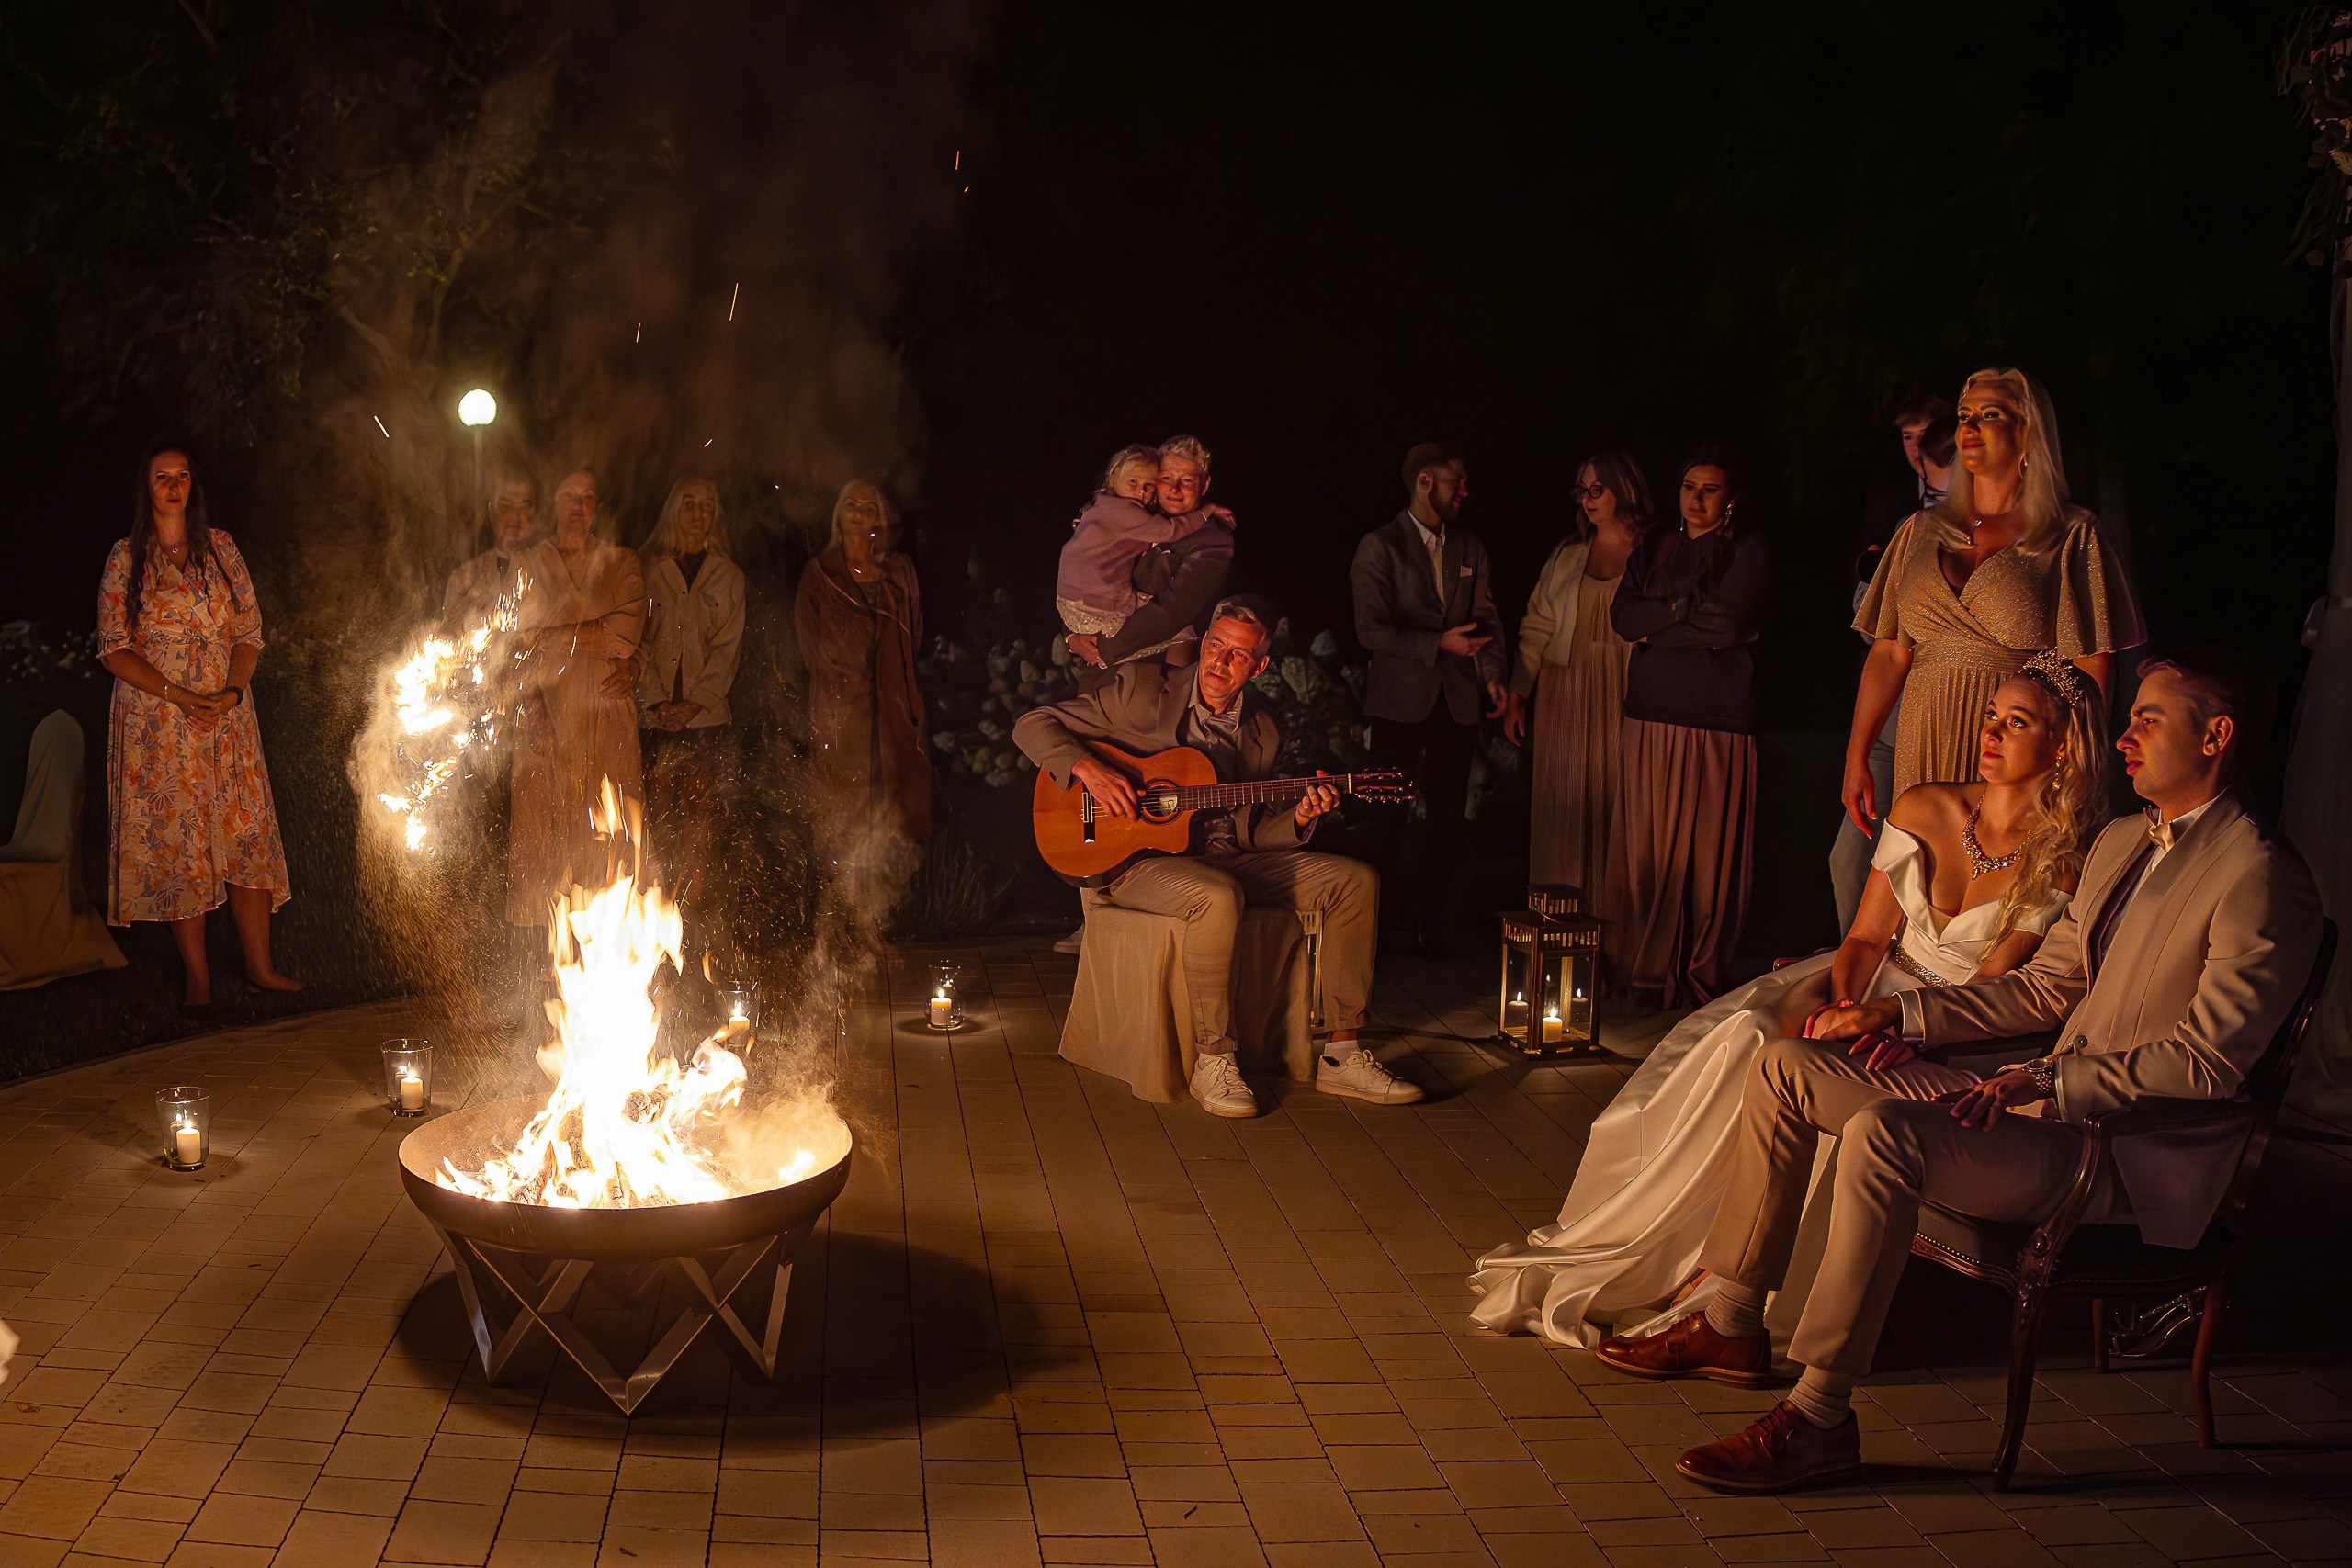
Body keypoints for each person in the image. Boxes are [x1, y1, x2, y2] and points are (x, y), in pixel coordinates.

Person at [1600, 649, 2323, 1495]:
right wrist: (1898, 1013)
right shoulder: (2128, 840)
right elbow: (2047, 984)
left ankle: (1820, 1415)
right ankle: (1730, 1318)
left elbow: (2208, 1060)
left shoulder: (2263, 876)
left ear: (2217, 736)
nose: (2124, 735)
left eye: (2149, 720)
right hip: (2038, 1109)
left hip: (2117, 1150)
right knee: (1791, 1063)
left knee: (1884, 1132)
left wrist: (2046, 1081)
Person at [1473, 653, 2105, 1347]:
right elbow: (1865, 935)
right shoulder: (1925, 803)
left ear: (2061, 743)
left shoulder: (2060, 860)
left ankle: (1721, 1294)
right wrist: (1840, 1004)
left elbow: (1991, 982)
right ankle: (1664, 1248)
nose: (1990, 732)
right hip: (1864, 980)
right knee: (1746, 1035)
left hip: (1954, 1027)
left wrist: (1913, 1033)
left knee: (1823, 1074)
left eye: (2015, 722)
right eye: (1990, 715)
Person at [1014, 597, 1411, 1116]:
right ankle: (1215, 1060)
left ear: (1260, 666)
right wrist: (1089, 769)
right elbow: (1031, 724)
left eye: (1238, 655)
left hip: (1227, 859)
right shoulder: (1140, 694)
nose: (1219, 663)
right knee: (1217, 896)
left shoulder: (1263, 730)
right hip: (1136, 862)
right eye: (1214, 645)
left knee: (1354, 880)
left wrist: (1300, 818)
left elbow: (1248, 831)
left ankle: (1342, 1054)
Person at [1844, 368, 2144, 846]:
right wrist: (1857, 756)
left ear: (2026, 431)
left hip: (2016, 743)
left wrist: (2076, 762)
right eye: (1964, 415)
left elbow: (2090, 665)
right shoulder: (1918, 532)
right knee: (1915, 880)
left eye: (1990, 415)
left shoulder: (2069, 536)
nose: (1969, 426)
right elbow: (1888, 653)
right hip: (1922, 736)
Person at [96, 438, 299, 1008]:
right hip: (159, 720)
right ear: (147, 487)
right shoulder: (125, 559)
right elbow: (113, 647)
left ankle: (260, 967)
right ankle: (199, 981)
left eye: (182, 475)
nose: (174, 485)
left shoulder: (221, 550)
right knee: (183, 842)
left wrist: (231, 692)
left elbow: (248, 632)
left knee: (244, 831)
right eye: (163, 476)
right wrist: (180, 695)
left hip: (225, 716)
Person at [1601, 450, 1769, 1008]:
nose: (1696, 499)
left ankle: (1698, 972)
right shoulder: (1654, 547)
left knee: (1707, 855)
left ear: (1731, 499)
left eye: (1710, 490)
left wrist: (1661, 620)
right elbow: (1623, 620)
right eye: (1689, 487)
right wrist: (1680, 609)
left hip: (1717, 714)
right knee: (1647, 846)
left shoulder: (1746, 550)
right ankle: (1644, 969)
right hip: (1650, 708)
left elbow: (1725, 623)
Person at [1349, 444, 1507, 960]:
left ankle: (1427, 926)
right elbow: (1370, 630)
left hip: (1456, 701)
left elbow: (1486, 618)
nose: (1464, 490)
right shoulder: (1380, 546)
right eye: (1455, 479)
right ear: (1423, 481)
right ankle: (1370, 929)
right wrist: (1436, 642)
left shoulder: (1471, 547)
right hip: (1399, 702)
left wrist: (1493, 677)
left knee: (1446, 820)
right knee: (1385, 817)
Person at [1828, 400, 1953, 931]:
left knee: (1931, 870)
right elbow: (1882, 637)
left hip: (1958, 723)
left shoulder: (2028, 535)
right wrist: (1858, 751)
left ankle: (1912, 991)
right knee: (1848, 862)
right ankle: (1852, 979)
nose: (1918, 450)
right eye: (1908, 437)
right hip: (1898, 715)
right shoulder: (1910, 526)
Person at [1503, 450, 1646, 894]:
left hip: (1623, 687)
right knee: (1565, 800)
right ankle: (1560, 916)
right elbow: (1538, 625)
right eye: (1581, 490)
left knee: (1619, 798)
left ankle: (1616, 920)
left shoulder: (1650, 551)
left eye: (1596, 489)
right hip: (1566, 686)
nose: (1587, 499)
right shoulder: (1569, 555)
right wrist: (1518, 693)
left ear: (1623, 490)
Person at [507, 468, 645, 926]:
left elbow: (624, 639)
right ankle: (547, 968)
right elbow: (511, 646)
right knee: (543, 840)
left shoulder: (623, 562)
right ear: (555, 503)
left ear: (597, 507)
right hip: (543, 713)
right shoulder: (528, 564)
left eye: (589, 496)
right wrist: (532, 702)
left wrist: (546, 637)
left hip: (607, 715)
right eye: (569, 495)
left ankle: (610, 948)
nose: (578, 506)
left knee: (608, 833)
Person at [795, 479, 930, 850]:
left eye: (869, 507)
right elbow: (809, 648)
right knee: (845, 813)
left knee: (899, 808)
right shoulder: (820, 575)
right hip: (842, 712)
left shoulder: (900, 570)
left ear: (880, 519)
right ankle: (843, 900)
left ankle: (895, 896)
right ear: (839, 516)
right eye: (851, 504)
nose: (859, 512)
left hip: (896, 707)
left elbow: (912, 633)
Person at [638, 477, 746, 918]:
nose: (699, 513)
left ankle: (697, 917)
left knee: (701, 826)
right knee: (658, 822)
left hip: (706, 721)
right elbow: (638, 640)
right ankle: (654, 915)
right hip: (656, 720)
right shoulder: (649, 571)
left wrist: (694, 702)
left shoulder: (728, 576)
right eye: (689, 503)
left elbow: (728, 649)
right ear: (673, 511)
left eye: (708, 505)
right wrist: (656, 702)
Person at [1067, 434, 1236, 690]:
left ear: (1204, 485)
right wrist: (1072, 637)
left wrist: (1103, 646)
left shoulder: (1213, 542)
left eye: (1187, 481)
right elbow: (1081, 568)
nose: (1174, 489)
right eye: (1166, 478)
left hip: (1150, 674)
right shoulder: (1135, 517)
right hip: (1096, 667)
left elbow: (1171, 612)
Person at [1057, 445, 1216, 643]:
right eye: (1133, 481)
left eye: (1149, 485)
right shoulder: (1126, 512)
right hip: (1096, 605)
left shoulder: (1101, 504)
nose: (1141, 490)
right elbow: (1170, 531)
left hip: (1072, 599)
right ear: (1114, 478)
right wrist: (1205, 512)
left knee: (1180, 632)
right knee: (1180, 633)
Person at [444, 473, 539, 629]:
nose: (514, 516)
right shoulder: (464, 579)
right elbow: (449, 638)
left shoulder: (550, 573)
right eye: (505, 506)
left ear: (534, 514)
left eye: (524, 507)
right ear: (491, 510)